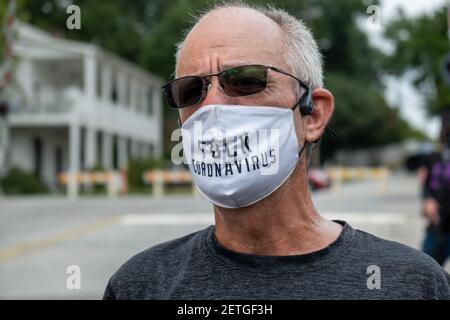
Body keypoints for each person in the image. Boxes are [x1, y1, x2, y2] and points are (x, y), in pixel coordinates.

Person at [104, 2, 450, 299]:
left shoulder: (412, 283)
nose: (211, 108)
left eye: (245, 80)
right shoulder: (140, 285)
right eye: (190, 90)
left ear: (312, 114)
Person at [421, 112, 450, 265]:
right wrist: (427, 200)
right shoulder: (434, 157)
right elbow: (425, 183)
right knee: (425, 269)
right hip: (437, 226)